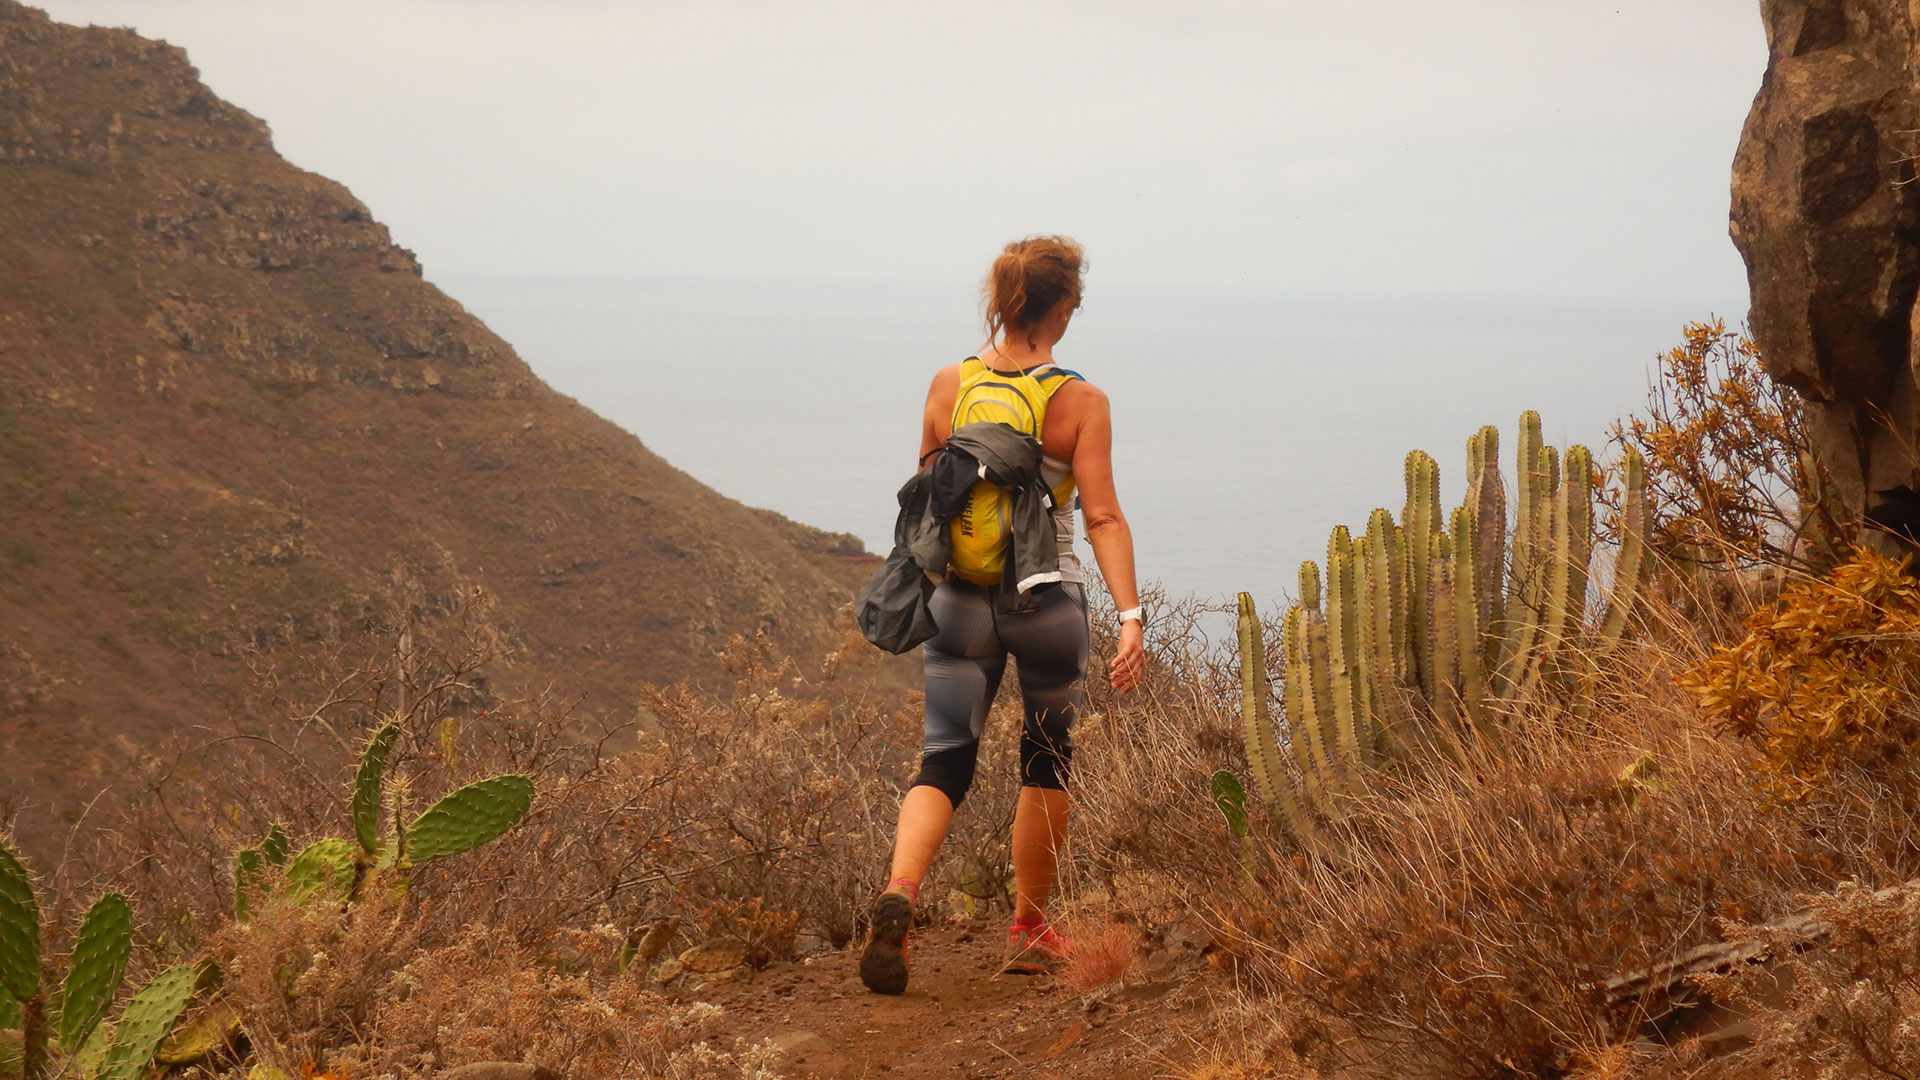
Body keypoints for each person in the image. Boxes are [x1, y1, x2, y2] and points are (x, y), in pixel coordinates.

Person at [859, 235, 1145, 995]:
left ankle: (902, 892)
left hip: (958, 600)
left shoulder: (950, 383)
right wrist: (1132, 616)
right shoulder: (1081, 400)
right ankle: (1028, 929)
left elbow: (929, 490)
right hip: (1046, 601)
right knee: (1046, 759)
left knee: (944, 759)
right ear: (1060, 307)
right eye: (1074, 303)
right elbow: (1106, 517)